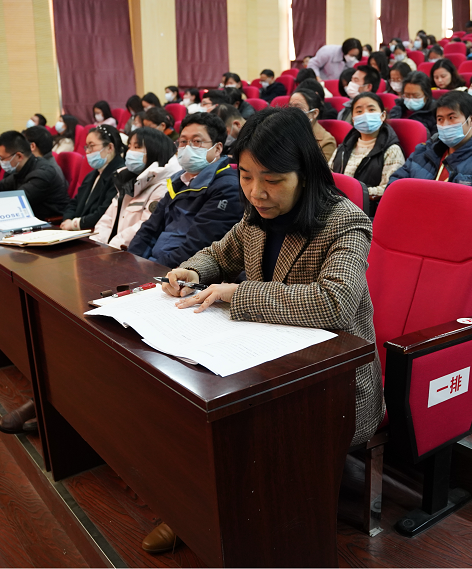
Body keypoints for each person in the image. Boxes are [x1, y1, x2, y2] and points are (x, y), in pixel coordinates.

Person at [142, 107, 385, 556]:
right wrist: (192, 271)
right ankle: (200, 506)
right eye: (246, 176)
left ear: (305, 175)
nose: (256, 192)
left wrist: (238, 294)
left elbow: (334, 302)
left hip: (333, 385)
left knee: (235, 424)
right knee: (184, 394)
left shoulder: (345, 222)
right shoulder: (257, 215)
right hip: (266, 358)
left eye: (272, 179)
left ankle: (236, 523)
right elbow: (219, 254)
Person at [128, 112, 243, 268]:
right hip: (151, 266)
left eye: (197, 141)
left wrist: (152, 270)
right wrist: (131, 262)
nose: (187, 147)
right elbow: (149, 229)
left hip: (180, 273)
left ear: (217, 149)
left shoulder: (227, 187)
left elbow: (198, 246)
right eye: (183, 142)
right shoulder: (179, 181)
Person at [389, 91, 472, 202]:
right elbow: (395, 185)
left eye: (451, 118)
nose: (445, 125)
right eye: (440, 119)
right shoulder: (424, 150)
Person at [94, 128, 180, 250]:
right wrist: (97, 244)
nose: (130, 152)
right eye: (129, 146)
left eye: (137, 147)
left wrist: (111, 248)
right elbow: (107, 219)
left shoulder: (163, 185)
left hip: (132, 253)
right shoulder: (128, 180)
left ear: (154, 150)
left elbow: (145, 226)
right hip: (110, 250)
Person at [0, 131, 69, 220]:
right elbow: (0, 185)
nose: (0, 162)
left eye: (2, 158)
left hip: (50, 223)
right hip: (29, 218)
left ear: (18, 156)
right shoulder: (22, 169)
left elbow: (15, 202)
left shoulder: (42, 173)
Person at [329, 92, 403, 199]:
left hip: (366, 205)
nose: (365, 115)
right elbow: (327, 175)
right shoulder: (343, 147)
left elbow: (388, 188)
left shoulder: (392, 150)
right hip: (337, 200)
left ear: (382, 115)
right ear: (353, 119)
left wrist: (354, 192)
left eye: (371, 110)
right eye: (359, 111)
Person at [288, 88, 336, 161]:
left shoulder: (326, 142)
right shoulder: (284, 131)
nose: (292, 112)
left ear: (314, 113)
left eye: (298, 108)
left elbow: (319, 168)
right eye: (290, 107)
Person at [388, 71, 438, 136]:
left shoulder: (435, 113)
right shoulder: (397, 110)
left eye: (416, 96)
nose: (410, 99)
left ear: (426, 95)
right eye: (407, 95)